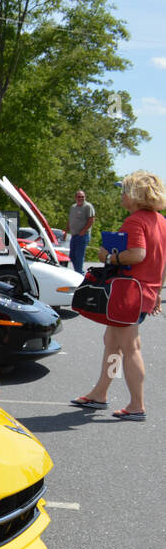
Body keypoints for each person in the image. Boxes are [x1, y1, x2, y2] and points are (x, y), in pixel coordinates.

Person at [71, 170, 166, 421]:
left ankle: (137, 405)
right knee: (112, 342)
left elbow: (137, 254)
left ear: (136, 195)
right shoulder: (161, 221)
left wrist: (108, 257)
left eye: (124, 191)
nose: (121, 196)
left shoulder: (135, 221)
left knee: (130, 347)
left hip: (130, 294)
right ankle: (100, 393)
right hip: (145, 293)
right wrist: (157, 292)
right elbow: (162, 261)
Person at [66, 189, 95, 274]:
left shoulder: (88, 206)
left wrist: (83, 231)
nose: (81, 198)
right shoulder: (73, 207)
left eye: (82, 197)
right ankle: (77, 272)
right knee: (72, 256)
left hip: (82, 235)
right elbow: (70, 220)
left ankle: (80, 273)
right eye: (79, 197)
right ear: (75, 197)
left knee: (79, 256)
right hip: (74, 235)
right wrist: (66, 231)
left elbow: (91, 220)